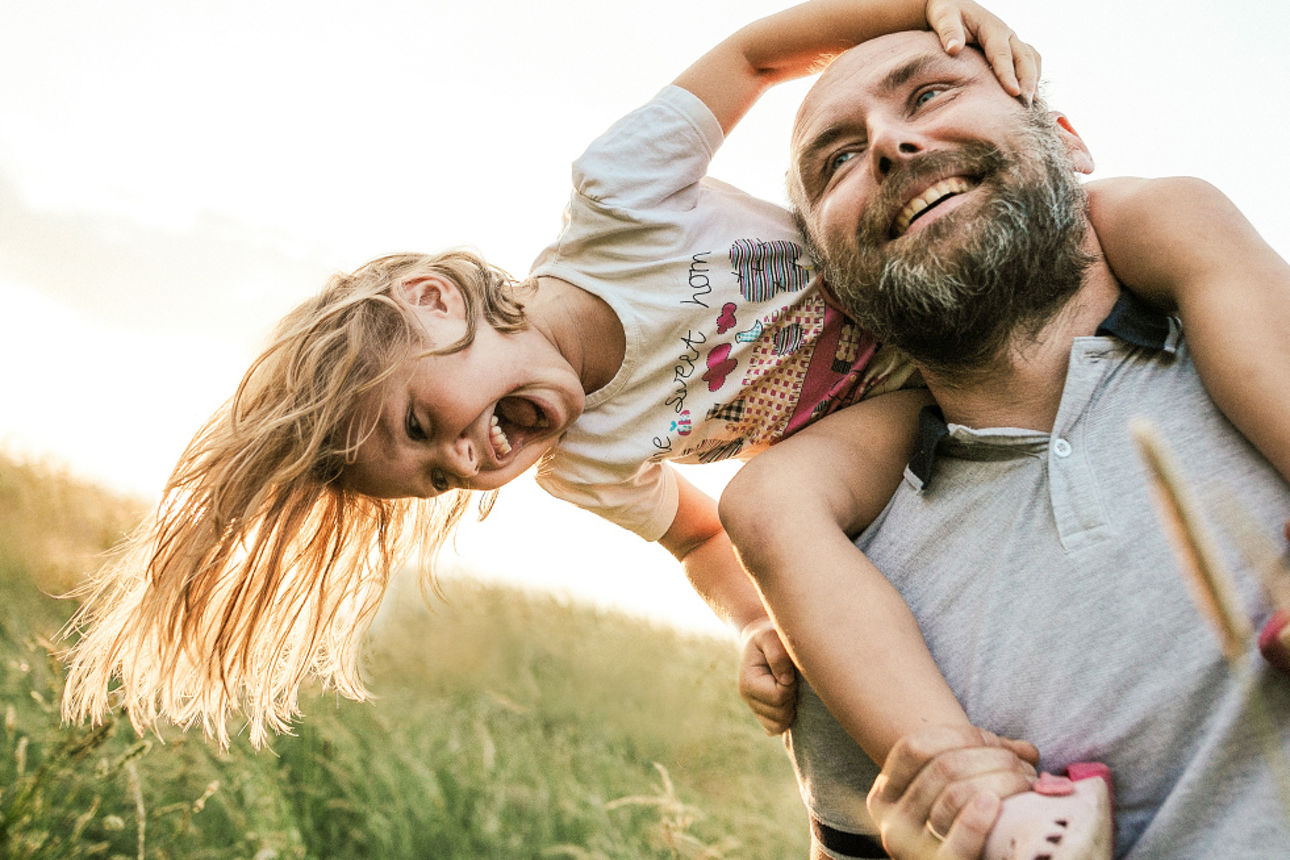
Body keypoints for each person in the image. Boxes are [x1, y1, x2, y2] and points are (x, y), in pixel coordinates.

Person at [720, 28, 1290, 859]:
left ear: (1066, 141)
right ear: (834, 281)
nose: (888, 142)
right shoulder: (841, 612)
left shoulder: (1247, 325)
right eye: (835, 159)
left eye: (930, 93)